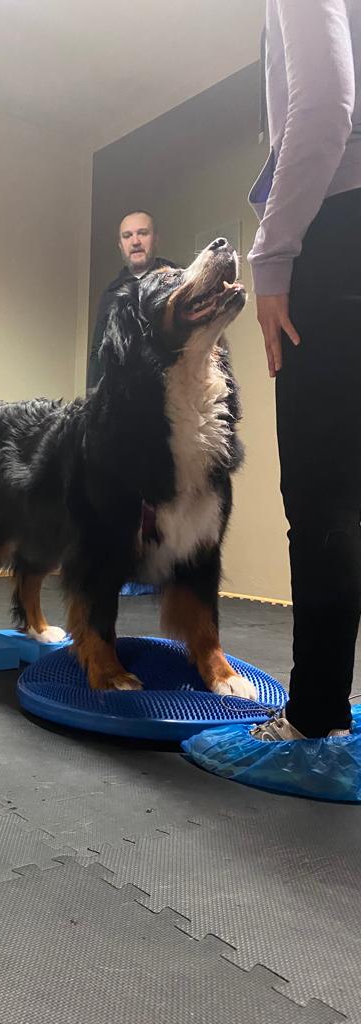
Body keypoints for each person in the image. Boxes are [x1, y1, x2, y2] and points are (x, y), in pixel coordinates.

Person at [248, 1, 361, 741]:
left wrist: (272, 252)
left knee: (322, 497)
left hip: (340, 231)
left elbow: (322, 107)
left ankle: (314, 714)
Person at [86, 210, 177, 391]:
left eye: (142, 233)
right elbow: (98, 353)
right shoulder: (111, 295)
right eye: (127, 236)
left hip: (170, 392)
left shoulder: (176, 282)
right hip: (124, 395)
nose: (135, 242)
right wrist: (92, 395)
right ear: (120, 245)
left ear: (155, 239)